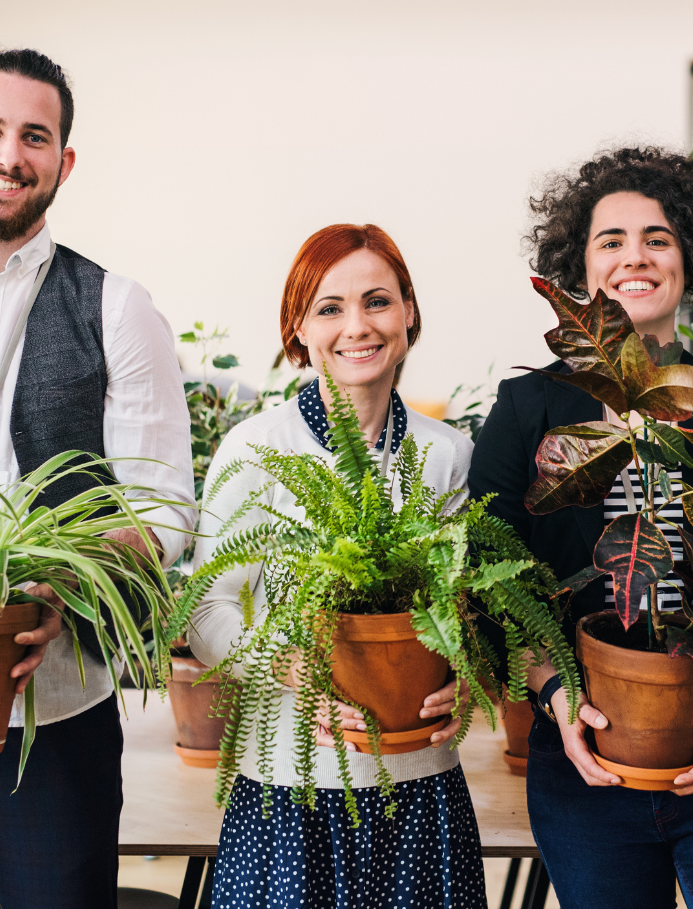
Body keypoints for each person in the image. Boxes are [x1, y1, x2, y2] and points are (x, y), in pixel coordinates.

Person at [468, 145, 693, 909]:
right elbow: (491, 579)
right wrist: (557, 695)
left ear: (691, 257)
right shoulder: (529, 411)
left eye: (658, 238)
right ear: (580, 269)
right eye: (612, 241)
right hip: (583, 758)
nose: (637, 257)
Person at [0, 49, 195, 909]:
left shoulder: (117, 306)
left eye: (36, 136)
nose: (9, 154)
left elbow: (162, 503)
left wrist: (60, 588)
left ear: (63, 163)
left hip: (61, 701)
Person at [188, 223, 486, 909]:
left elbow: (472, 604)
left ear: (408, 314)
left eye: (377, 301)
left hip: (419, 784)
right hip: (288, 793)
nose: (357, 326)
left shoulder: (448, 454)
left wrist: (470, 671)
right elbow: (206, 608)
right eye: (329, 308)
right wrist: (289, 665)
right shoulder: (256, 447)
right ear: (298, 329)